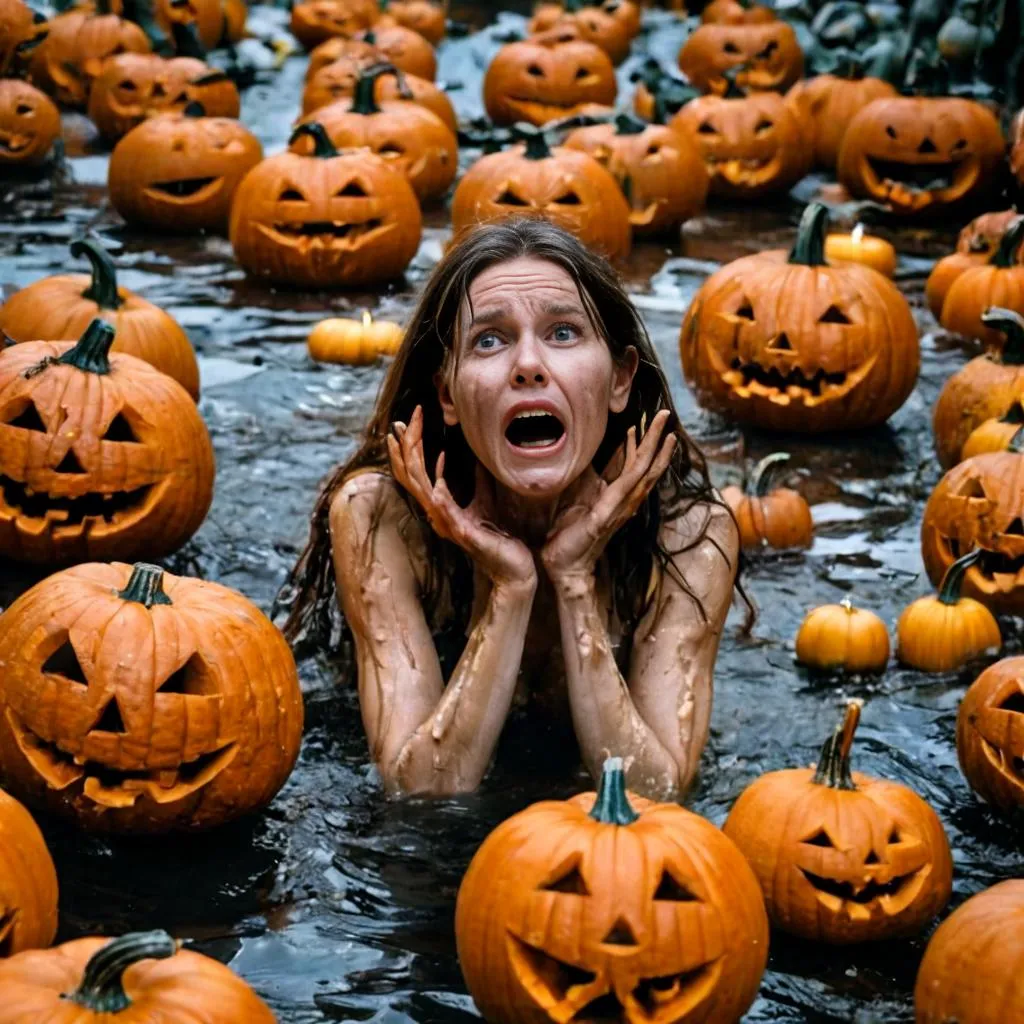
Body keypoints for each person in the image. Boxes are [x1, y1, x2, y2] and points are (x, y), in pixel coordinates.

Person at [280, 218, 741, 801]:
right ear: (447, 394)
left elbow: (655, 795)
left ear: (620, 379)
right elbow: (421, 791)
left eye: (564, 333)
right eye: (489, 340)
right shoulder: (380, 518)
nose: (528, 364)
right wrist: (510, 586)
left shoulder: (690, 536)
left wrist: (573, 580)